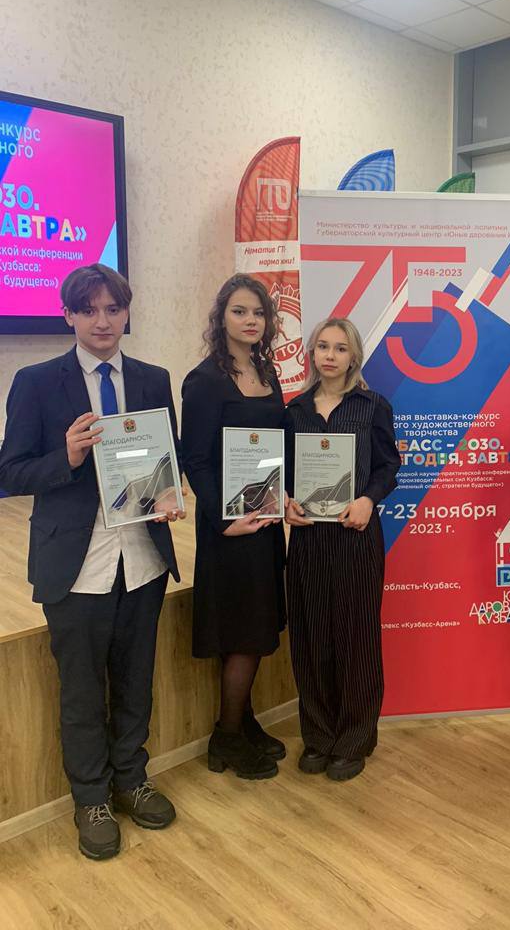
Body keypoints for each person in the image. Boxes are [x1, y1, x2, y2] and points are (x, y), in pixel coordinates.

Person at [0, 264, 182, 861]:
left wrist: (169, 495)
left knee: (134, 681)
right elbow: (10, 472)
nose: (102, 321)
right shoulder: (36, 382)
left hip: (143, 560)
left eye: (113, 309)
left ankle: (131, 779)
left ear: (127, 313)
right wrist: (68, 457)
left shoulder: (153, 379)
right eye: (89, 310)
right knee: (81, 690)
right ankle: (92, 799)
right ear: (69, 316)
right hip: (75, 566)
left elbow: (167, 459)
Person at [284, 317, 400, 782]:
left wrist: (369, 499)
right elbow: (283, 472)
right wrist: (285, 501)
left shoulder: (373, 406)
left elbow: (388, 466)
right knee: (311, 637)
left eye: (340, 348)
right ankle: (318, 736)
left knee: (356, 639)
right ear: (311, 354)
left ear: (354, 357)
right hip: (309, 538)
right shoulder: (294, 410)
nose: (330, 355)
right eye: (322, 347)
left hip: (356, 535)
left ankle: (354, 739)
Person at [181, 274, 287, 781]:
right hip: (229, 529)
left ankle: (243, 722)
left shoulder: (267, 371)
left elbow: (278, 445)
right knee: (243, 632)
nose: (251, 321)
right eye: (240, 311)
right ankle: (224, 738)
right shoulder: (204, 380)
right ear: (221, 317)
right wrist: (225, 522)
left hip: (264, 520)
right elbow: (196, 460)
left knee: (257, 625)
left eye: (259, 313)